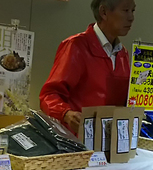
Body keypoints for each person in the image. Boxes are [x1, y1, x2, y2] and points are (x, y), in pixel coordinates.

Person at [39, 0, 135, 133]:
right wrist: (66, 114)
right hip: (75, 141)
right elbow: (49, 95)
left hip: (109, 142)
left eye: (133, 10)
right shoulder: (76, 46)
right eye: (125, 10)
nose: (131, 18)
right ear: (104, 12)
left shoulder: (123, 53)